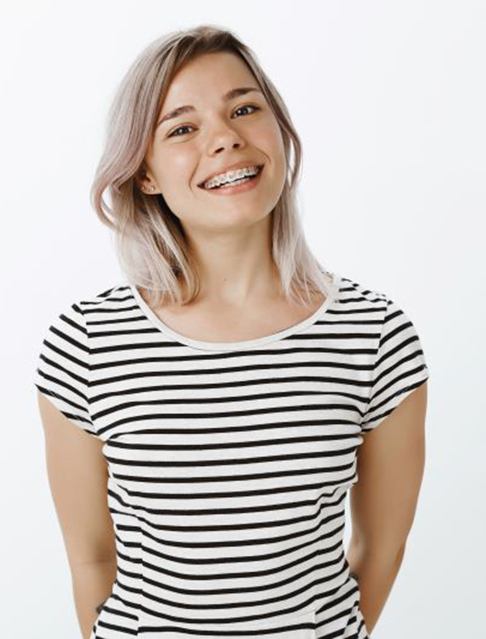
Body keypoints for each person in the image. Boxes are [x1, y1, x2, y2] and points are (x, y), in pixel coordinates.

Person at [34, 25, 430, 639]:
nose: (225, 139)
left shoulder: (375, 334)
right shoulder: (86, 342)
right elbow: (91, 558)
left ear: (279, 131)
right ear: (145, 174)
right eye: (182, 129)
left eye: (245, 108)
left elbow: (381, 549)